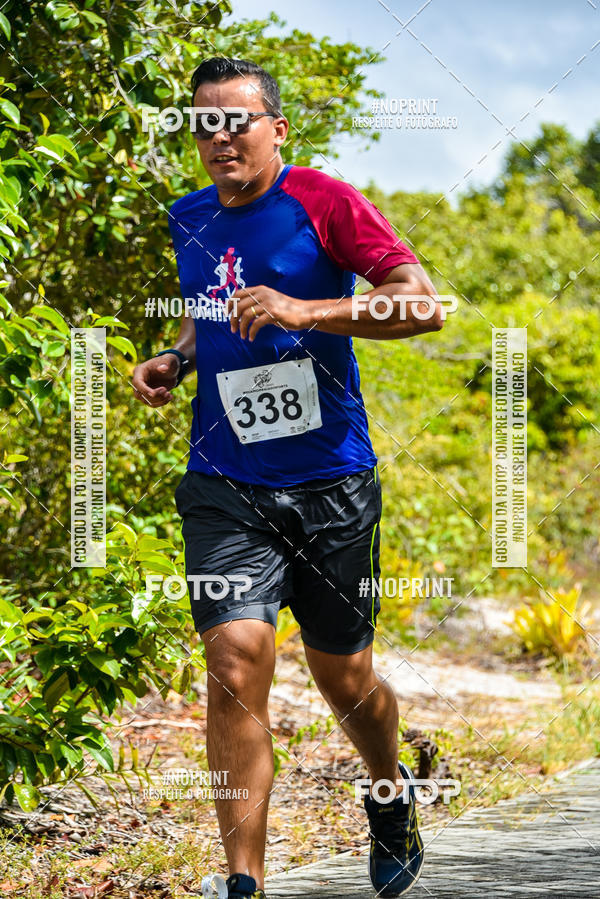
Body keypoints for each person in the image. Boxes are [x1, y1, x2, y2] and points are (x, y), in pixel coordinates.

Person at [132, 56, 443, 899]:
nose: (221, 136)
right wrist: (178, 357)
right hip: (225, 480)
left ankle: (388, 787)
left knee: (344, 677)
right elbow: (213, 310)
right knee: (234, 663)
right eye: (205, 122)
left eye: (238, 120)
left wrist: (309, 309)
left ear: (278, 129)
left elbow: (422, 303)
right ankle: (245, 883)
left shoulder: (323, 201)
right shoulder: (189, 216)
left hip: (330, 482)